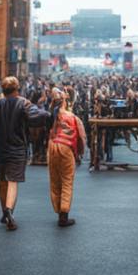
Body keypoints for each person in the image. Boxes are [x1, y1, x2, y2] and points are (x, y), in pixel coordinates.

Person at [0, 76, 49, 231]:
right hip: (18, 148)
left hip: (1, 148)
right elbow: (38, 117)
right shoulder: (24, 103)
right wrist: (49, 114)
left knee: (2, 181)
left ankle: (3, 212)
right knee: (13, 181)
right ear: (17, 88)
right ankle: (9, 211)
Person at [47, 88, 85, 228]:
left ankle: (58, 212)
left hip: (52, 148)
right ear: (65, 101)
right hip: (66, 149)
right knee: (67, 181)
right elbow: (81, 138)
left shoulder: (51, 116)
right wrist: (80, 153)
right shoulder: (72, 117)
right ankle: (64, 215)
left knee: (55, 181)